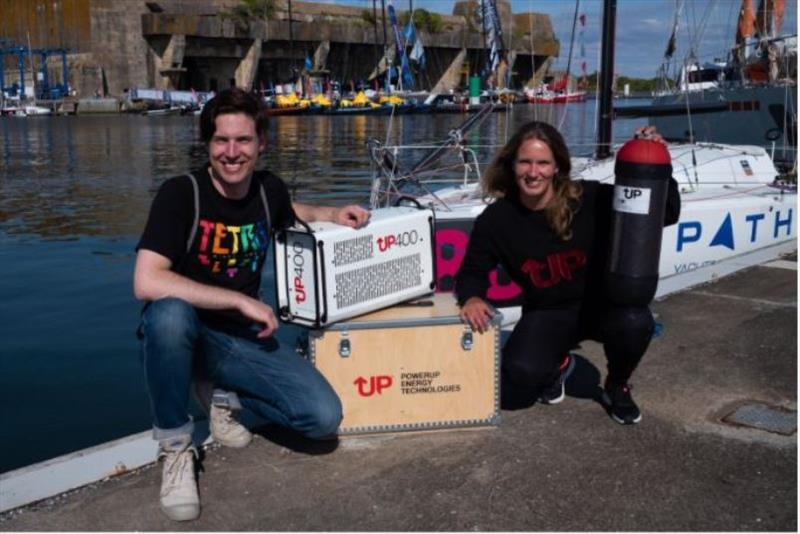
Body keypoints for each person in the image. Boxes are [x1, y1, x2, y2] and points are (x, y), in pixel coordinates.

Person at [133, 87, 370, 521]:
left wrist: (332, 214)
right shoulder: (180, 194)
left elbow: (288, 208)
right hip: (190, 330)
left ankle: (223, 397)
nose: (231, 152)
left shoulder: (268, 189)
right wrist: (239, 301)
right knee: (166, 315)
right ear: (207, 144)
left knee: (322, 419)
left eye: (243, 140)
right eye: (221, 140)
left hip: (238, 340)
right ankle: (175, 449)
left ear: (261, 144)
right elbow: (146, 281)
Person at [456, 121, 679, 425]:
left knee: (635, 321)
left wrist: (658, 165)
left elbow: (663, 213)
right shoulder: (496, 220)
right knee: (515, 386)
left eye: (543, 163)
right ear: (511, 164)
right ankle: (558, 365)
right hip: (549, 312)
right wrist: (471, 297)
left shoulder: (589, 198)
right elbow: (473, 270)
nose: (533, 172)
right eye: (525, 162)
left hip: (604, 306)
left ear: (557, 167)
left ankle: (617, 384)